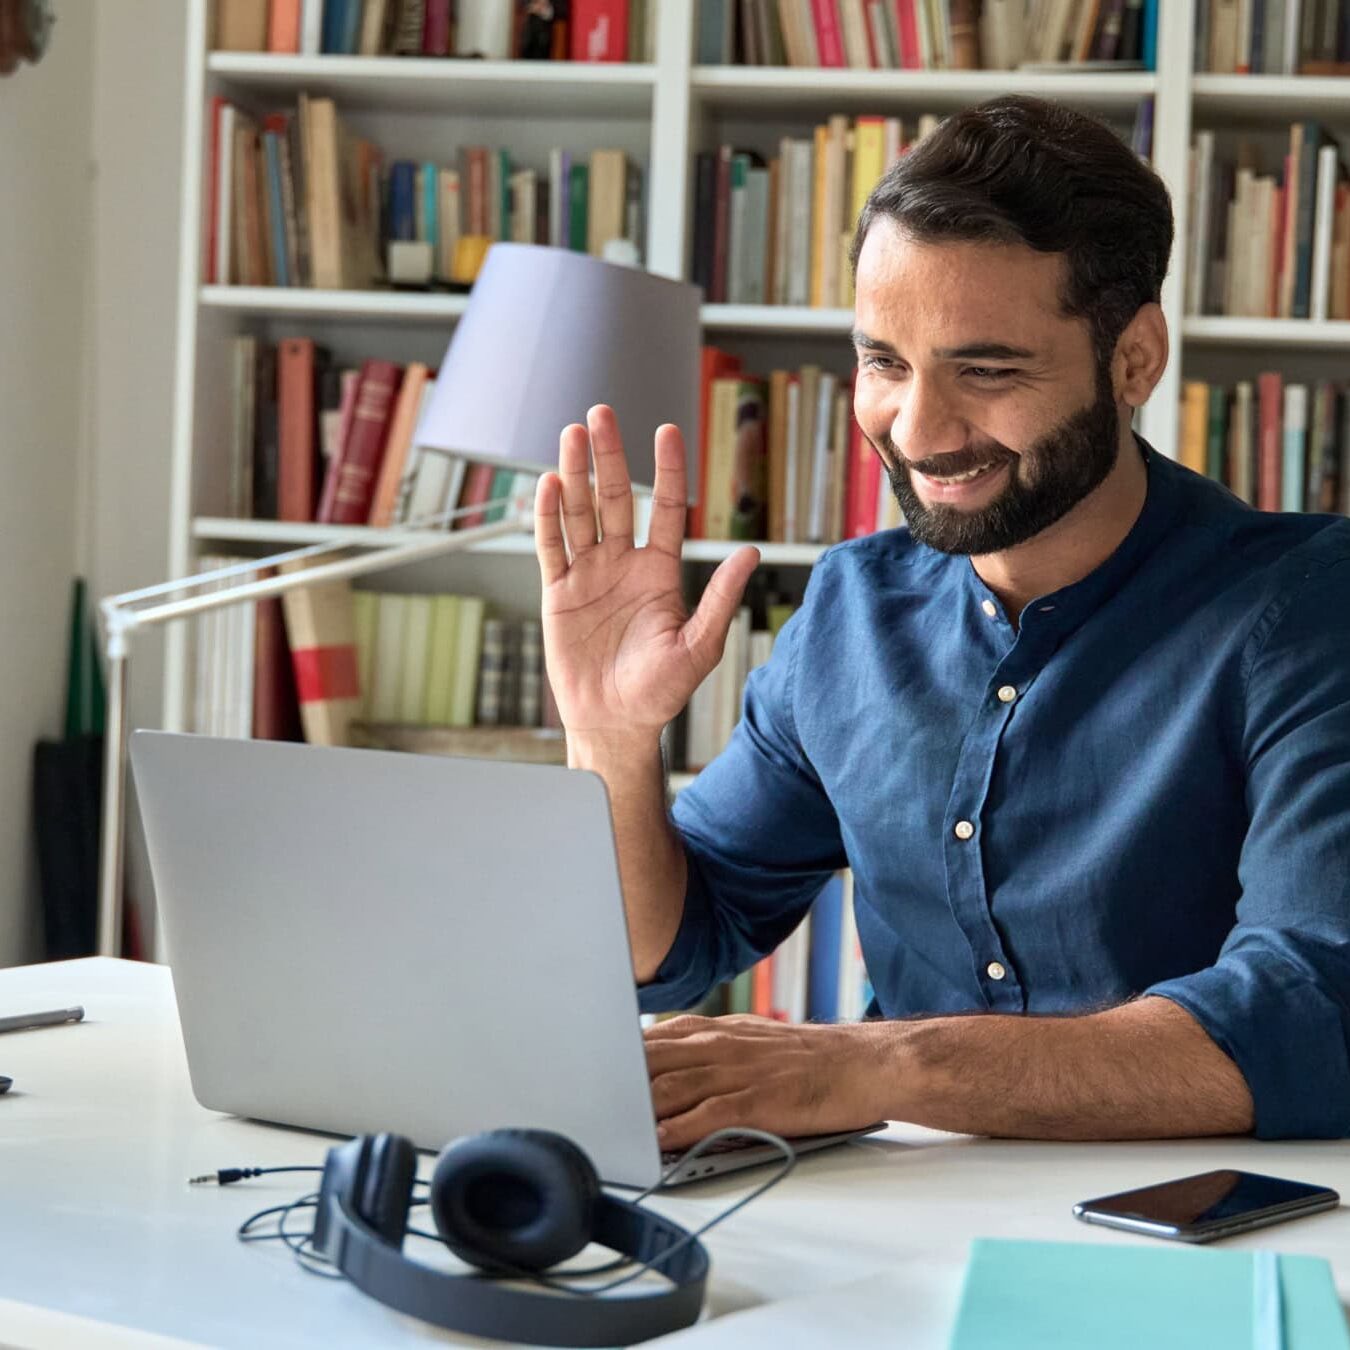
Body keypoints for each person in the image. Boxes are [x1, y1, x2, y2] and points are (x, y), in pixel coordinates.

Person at [531, 96, 1350, 1153]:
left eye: (988, 370)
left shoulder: (1307, 607)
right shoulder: (851, 608)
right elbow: (677, 946)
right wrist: (608, 738)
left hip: (1197, 1214)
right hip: (898, 1206)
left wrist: (869, 1065)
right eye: (885, 363)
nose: (918, 431)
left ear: (1135, 358)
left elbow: (1314, 1013)